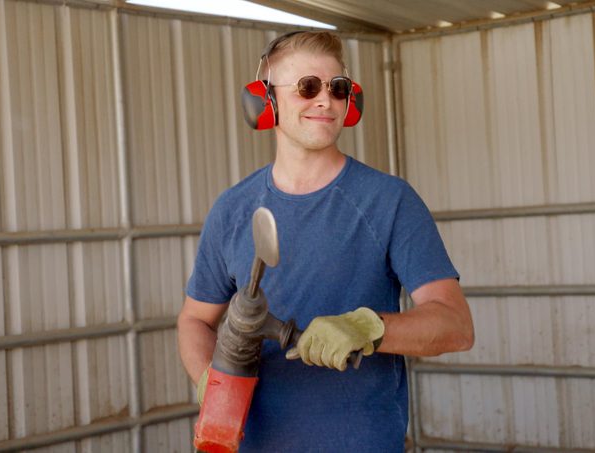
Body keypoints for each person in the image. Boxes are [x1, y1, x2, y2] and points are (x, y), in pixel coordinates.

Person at [177, 31, 474, 452]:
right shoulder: (232, 209)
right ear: (265, 103)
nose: (325, 101)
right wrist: (214, 380)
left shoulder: (389, 201)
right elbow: (195, 320)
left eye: (337, 89)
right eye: (307, 87)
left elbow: (456, 326)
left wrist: (368, 327)